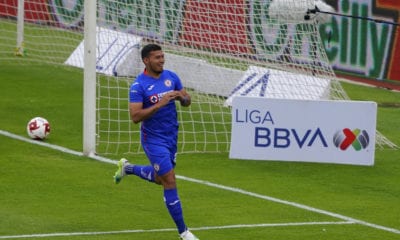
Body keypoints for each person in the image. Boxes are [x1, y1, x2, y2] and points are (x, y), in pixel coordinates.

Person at [113, 43, 199, 240]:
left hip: (171, 137)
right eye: (157, 57)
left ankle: (128, 168)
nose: (162, 60)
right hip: (153, 140)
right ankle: (184, 232)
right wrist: (159, 104)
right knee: (169, 179)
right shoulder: (138, 86)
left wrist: (181, 97)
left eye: (162, 57)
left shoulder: (171, 77)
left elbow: (187, 102)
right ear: (146, 60)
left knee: (161, 178)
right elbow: (135, 117)